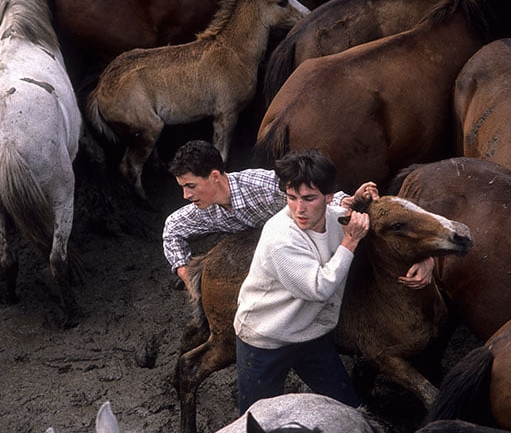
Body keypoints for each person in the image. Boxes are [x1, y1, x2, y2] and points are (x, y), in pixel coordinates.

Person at [162, 140, 434, 290]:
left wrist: (350, 201)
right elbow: (172, 229)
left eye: (190, 186)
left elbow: (317, 196)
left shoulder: (262, 186)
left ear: (214, 177)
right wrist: (188, 278)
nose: (186, 196)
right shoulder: (203, 208)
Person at [234, 149, 374, 414]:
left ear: (330, 197)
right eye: (291, 197)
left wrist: (423, 262)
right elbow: (318, 288)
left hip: (311, 334)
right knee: (254, 421)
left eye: (309, 198)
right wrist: (351, 241)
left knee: (351, 408)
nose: (299, 208)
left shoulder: (337, 219)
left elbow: (394, 229)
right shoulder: (281, 237)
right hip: (266, 338)